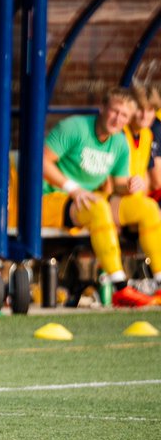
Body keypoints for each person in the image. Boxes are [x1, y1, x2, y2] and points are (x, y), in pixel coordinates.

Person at [41, 86, 161, 306]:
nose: (118, 119)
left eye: (124, 115)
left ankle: (159, 282)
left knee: (148, 208)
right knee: (99, 208)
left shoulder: (119, 142)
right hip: (50, 198)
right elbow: (41, 161)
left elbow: (118, 185)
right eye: (114, 111)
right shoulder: (75, 127)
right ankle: (120, 288)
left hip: (88, 200)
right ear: (102, 107)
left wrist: (132, 185)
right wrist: (73, 188)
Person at [124, 84, 161, 201]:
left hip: (139, 199)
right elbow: (157, 181)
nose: (145, 115)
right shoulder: (120, 133)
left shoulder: (146, 134)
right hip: (120, 197)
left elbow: (145, 175)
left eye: (150, 110)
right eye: (140, 109)